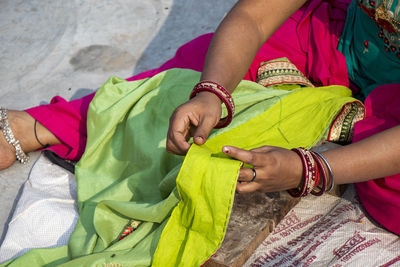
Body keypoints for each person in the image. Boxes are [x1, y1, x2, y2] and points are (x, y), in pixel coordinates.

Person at [0, 0, 399, 237]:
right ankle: (39, 126)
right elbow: (255, 18)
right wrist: (213, 91)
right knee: (189, 77)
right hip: (332, 40)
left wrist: (311, 169)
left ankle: (348, 136)